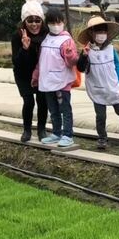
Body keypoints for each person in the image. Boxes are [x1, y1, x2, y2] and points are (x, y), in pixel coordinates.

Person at [76, 16, 119, 149]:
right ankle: (102, 138)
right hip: (97, 88)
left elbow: (118, 66)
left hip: (112, 86)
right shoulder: (87, 51)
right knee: (100, 115)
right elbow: (81, 68)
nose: (101, 35)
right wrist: (84, 55)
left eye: (103, 31)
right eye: (98, 31)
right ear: (91, 33)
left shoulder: (111, 49)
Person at [32, 8, 79, 147]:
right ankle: (57, 133)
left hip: (62, 82)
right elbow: (41, 60)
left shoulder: (67, 40)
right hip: (47, 81)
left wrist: (70, 55)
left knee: (65, 109)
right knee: (53, 109)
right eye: (52, 22)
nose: (56, 25)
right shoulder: (46, 39)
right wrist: (36, 75)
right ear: (48, 24)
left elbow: (72, 62)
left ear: (63, 22)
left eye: (58, 22)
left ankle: (68, 135)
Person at [12, 0, 47, 142]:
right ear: (24, 22)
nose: (34, 24)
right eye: (30, 20)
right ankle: (27, 130)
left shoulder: (47, 34)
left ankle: (41, 129)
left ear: (42, 21)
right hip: (23, 74)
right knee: (29, 101)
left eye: (37, 20)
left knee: (42, 100)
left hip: (41, 73)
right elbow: (17, 62)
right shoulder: (18, 36)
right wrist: (25, 49)